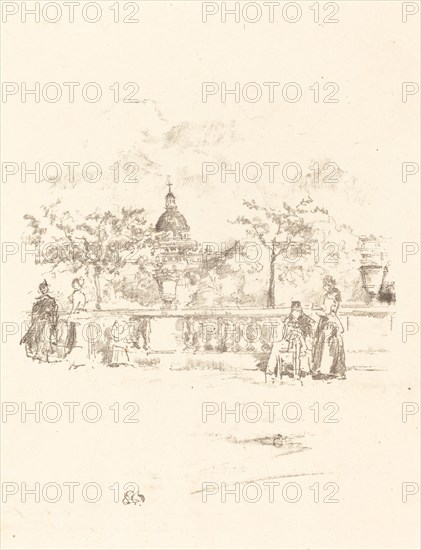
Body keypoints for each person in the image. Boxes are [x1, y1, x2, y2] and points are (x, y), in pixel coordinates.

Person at [312, 275, 346, 379]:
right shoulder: (325, 296)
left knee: (332, 345)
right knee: (320, 344)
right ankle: (320, 369)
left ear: (332, 285)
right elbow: (325, 308)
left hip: (331, 321)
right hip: (325, 321)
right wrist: (321, 310)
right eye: (325, 285)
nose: (326, 287)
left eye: (328, 285)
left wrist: (323, 312)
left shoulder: (335, 295)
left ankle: (334, 370)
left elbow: (331, 311)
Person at [21, 280, 59, 362]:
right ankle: (36, 351)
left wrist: (49, 317)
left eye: (44, 288)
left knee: (42, 335)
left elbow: (52, 311)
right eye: (42, 289)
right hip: (39, 320)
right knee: (35, 333)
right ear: (40, 290)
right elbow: (35, 312)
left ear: (47, 288)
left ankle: (40, 352)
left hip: (45, 321)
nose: (43, 290)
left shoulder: (51, 300)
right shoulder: (39, 301)